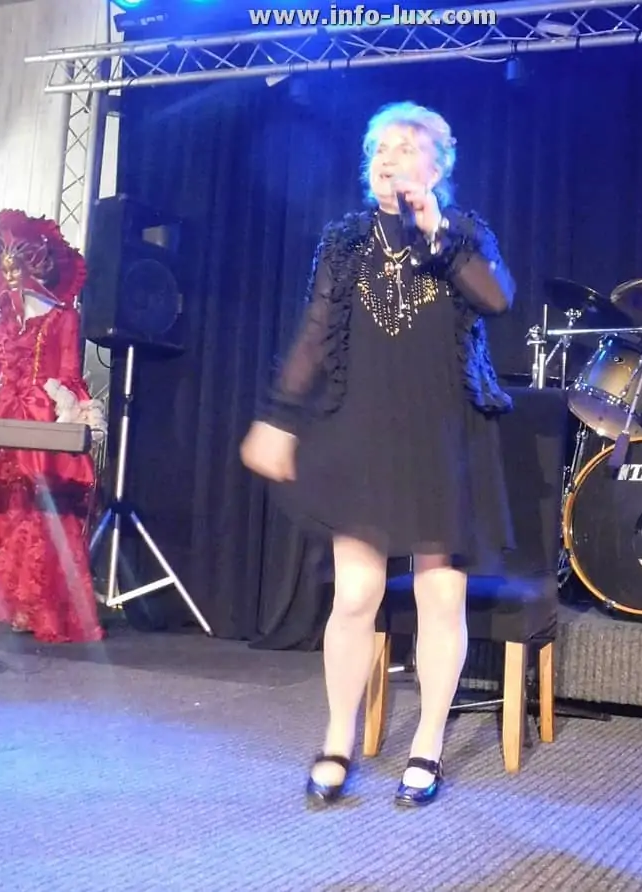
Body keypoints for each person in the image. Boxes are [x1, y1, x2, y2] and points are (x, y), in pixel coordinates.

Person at [240, 101, 515, 807]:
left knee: (439, 594)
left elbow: (496, 298)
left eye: (403, 147)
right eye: (377, 149)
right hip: (362, 430)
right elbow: (314, 333)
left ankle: (427, 745)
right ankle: (337, 739)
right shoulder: (345, 241)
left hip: (441, 435)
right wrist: (278, 417)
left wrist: (436, 229)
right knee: (356, 594)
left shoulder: (462, 233)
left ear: (437, 166)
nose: (386, 158)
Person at [0, 210, 108, 644]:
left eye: (18, 265)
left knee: (38, 509)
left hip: (39, 417)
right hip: (0, 421)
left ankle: (35, 607)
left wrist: (67, 415)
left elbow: (68, 374)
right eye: (4, 266)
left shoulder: (64, 319)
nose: (10, 275)